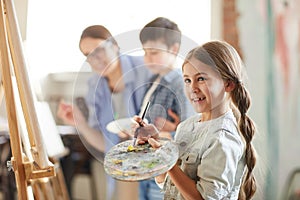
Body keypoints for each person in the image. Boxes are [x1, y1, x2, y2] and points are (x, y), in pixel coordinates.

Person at [133, 40, 257, 199]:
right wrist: (156, 148)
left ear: (228, 84)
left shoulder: (222, 138)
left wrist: (170, 164)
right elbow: (166, 183)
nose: (193, 88)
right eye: (187, 80)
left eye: (201, 79)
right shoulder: (186, 126)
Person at [57, 25, 152, 200]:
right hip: (124, 166)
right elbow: (107, 144)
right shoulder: (95, 86)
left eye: (99, 50)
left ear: (115, 46)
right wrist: (80, 123)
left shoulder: (145, 69)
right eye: (88, 55)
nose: (96, 59)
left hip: (153, 164)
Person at [136, 17, 194, 200]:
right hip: (147, 166)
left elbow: (191, 135)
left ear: (174, 49)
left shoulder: (181, 85)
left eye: (153, 52)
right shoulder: (153, 81)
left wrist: (172, 132)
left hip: (168, 172)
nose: (147, 57)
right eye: (145, 52)